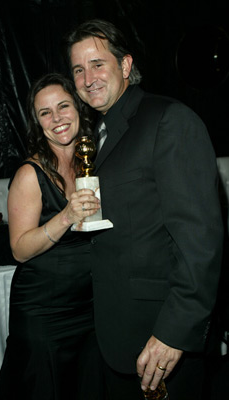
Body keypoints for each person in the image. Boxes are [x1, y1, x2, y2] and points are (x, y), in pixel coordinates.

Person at [63, 19, 224, 399]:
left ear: (125, 66)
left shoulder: (168, 120)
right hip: (120, 330)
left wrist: (174, 332)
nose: (88, 78)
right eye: (78, 70)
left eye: (98, 64)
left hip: (161, 336)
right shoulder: (102, 132)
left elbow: (200, 241)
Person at [0, 72, 103, 400]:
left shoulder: (93, 163)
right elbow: (20, 250)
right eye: (45, 113)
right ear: (37, 123)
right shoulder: (29, 174)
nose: (57, 119)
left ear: (79, 108)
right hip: (44, 313)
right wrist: (67, 214)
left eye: (63, 106)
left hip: (91, 307)